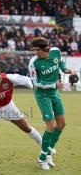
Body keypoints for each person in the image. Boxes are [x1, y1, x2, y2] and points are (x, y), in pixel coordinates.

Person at [28, 37, 75, 170]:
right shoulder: (34, 62)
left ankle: (49, 152)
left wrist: (66, 70)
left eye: (37, 50)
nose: (35, 52)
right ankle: (42, 158)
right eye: (34, 50)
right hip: (42, 94)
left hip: (54, 93)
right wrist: (54, 84)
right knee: (51, 126)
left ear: (46, 49)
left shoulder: (56, 52)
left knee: (61, 124)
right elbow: (35, 83)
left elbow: (60, 63)